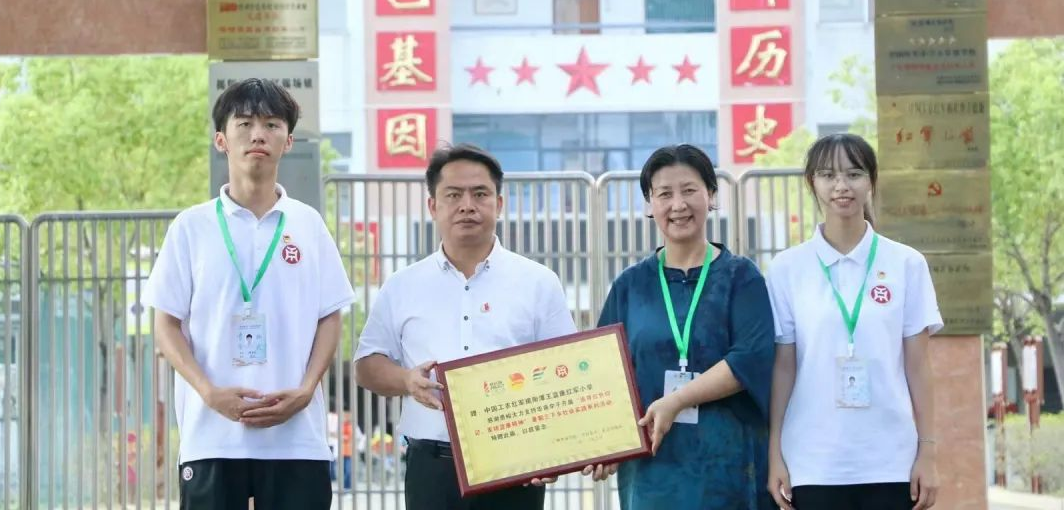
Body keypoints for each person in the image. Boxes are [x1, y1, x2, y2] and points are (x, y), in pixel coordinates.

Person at [145, 78, 356, 509]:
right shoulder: (191, 227)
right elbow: (165, 323)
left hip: (297, 439)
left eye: (272, 125)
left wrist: (306, 390)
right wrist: (208, 392)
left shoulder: (308, 224)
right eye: (244, 124)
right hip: (212, 437)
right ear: (221, 139)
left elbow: (330, 316)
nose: (258, 134)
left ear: (288, 140)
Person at [354, 143, 577, 510]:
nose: (467, 205)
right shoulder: (402, 285)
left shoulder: (538, 282)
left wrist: (557, 449)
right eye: (453, 195)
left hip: (517, 465)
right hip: (432, 469)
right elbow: (366, 366)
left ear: (499, 204)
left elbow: (567, 370)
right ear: (432, 206)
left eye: (480, 194)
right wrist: (407, 380)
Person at [594, 144, 775, 509]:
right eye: (664, 194)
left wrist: (677, 400)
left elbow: (750, 358)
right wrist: (603, 442)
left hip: (730, 469)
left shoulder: (741, 277)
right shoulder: (631, 286)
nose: (678, 205)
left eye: (689, 190)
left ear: (711, 195)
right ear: (649, 204)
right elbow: (602, 369)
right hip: (653, 469)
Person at [766, 133, 942, 510]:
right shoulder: (786, 268)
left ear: (871, 181)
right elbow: (783, 368)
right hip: (812, 462)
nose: (841, 186)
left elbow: (919, 366)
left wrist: (927, 451)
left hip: (891, 461)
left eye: (854, 174)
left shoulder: (906, 264)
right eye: (828, 175)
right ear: (812, 182)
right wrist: (775, 452)